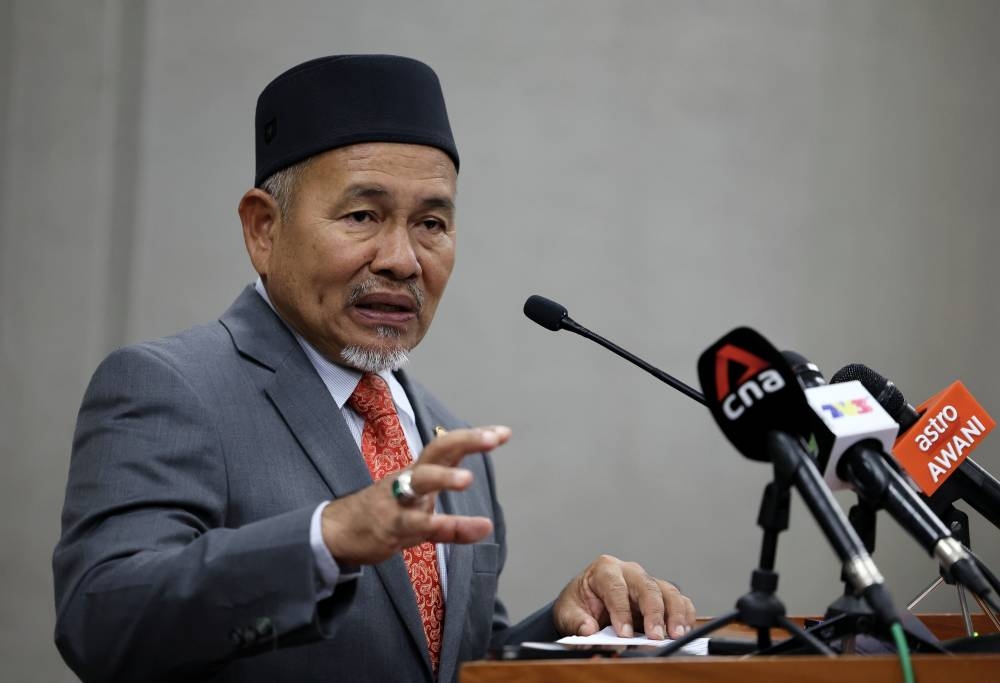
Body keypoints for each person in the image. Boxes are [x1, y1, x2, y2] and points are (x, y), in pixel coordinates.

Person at [53, 54, 695, 683]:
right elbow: (101, 622)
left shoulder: (450, 440)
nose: (402, 260)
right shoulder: (173, 387)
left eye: (431, 223)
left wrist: (566, 627)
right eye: (363, 215)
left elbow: (448, 660)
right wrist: (324, 539)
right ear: (263, 229)